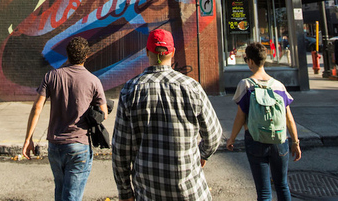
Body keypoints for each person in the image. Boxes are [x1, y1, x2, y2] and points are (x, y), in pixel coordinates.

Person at [112, 28, 223, 201]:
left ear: (147, 51)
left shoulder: (130, 90)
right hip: (190, 192)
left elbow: (120, 150)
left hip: (149, 192)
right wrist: (203, 154)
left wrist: (125, 192)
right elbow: (214, 135)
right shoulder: (191, 87)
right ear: (172, 52)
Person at [22, 37, 107, 201]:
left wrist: (28, 139)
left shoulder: (51, 76)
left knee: (60, 192)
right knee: (71, 196)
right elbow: (103, 113)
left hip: (55, 146)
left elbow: (37, 108)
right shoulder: (93, 81)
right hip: (79, 145)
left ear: (67, 55)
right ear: (86, 56)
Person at [226, 43, 301, 201]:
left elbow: (241, 116)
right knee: (282, 185)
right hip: (279, 140)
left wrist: (231, 138)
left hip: (255, 140)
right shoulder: (278, 86)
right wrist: (295, 141)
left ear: (251, 61)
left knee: (264, 191)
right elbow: (289, 117)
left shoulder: (245, 85)